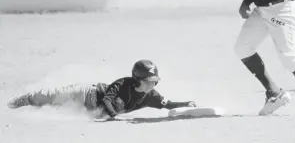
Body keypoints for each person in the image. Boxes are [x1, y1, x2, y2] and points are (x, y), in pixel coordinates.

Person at [7, 60, 196, 121]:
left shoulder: (151, 96)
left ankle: (34, 107)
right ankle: (24, 99)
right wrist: (115, 116)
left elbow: (168, 104)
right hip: (84, 93)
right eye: (149, 81)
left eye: (155, 81)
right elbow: (107, 100)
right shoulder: (123, 84)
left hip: (92, 109)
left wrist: (186, 104)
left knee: (58, 109)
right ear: (138, 79)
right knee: (51, 97)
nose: (153, 85)